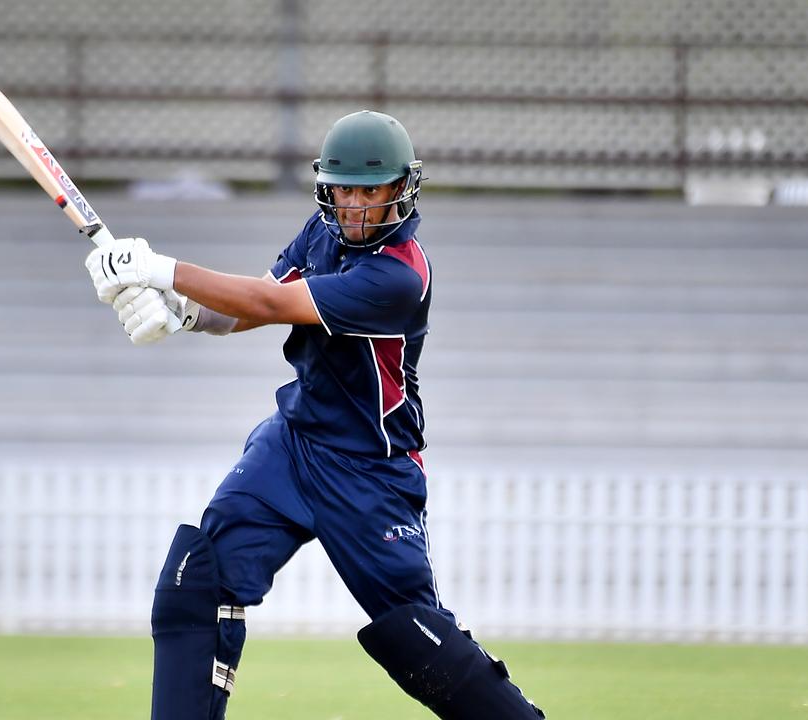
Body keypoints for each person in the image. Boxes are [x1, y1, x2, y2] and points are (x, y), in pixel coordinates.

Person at [85, 111, 545, 719]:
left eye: (370, 190)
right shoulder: (321, 232)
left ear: (401, 190)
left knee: (416, 636)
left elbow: (273, 303)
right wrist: (182, 312)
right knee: (195, 584)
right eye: (344, 188)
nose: (355, 205)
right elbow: (250, 305)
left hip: (370, 473)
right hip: (292, 445)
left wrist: (160, 269)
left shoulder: (398, 275)